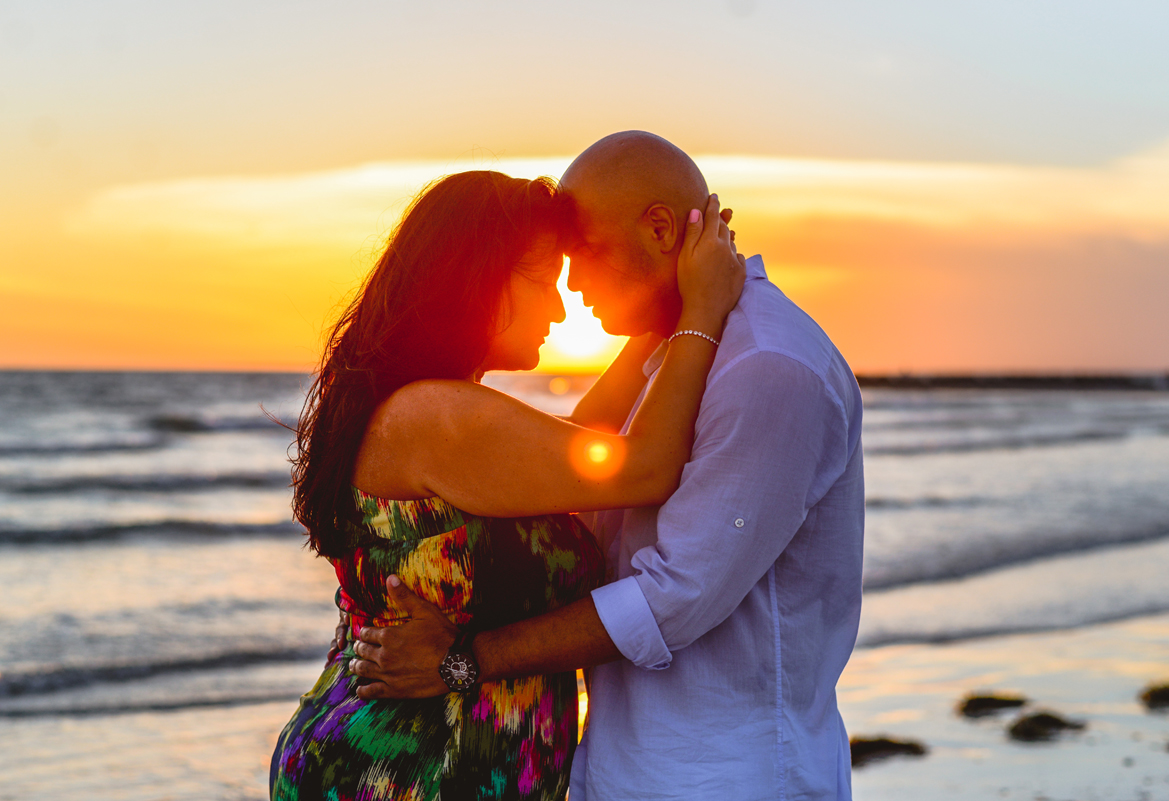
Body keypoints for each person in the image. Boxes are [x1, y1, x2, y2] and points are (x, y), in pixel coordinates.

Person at [344, 132, 866, 800]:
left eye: (581, 255)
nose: (573, 288)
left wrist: (462, 661)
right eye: (548, 270)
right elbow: (601, 462)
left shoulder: (766, 366)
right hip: (615, 765)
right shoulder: (673, 361)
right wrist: (689, 307)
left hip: (726, 775)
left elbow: (671, 594)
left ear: (658, 228)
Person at [269, 169, 745, 800]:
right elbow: (644, 467)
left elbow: (578, 442)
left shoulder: (433, 411)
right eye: (542, 280)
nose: (559, 305)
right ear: (473, 276)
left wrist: (662, 312)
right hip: (410, 772)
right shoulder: (434, 417)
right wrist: (703, 311)